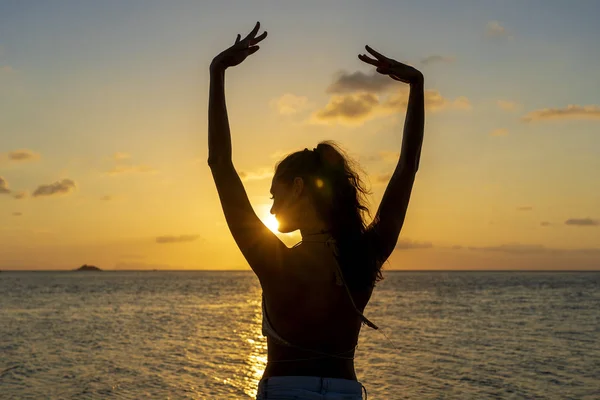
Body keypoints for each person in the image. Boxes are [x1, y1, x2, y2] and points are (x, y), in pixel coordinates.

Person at [208, 22, 424, 400]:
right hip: (345, 392)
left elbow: (220, 164)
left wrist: (217, 73)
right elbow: (407, 167)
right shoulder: (366, 254)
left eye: (274, 195)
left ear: (298, 188)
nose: (272, 208)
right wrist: (417, 87)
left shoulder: (274, 260)